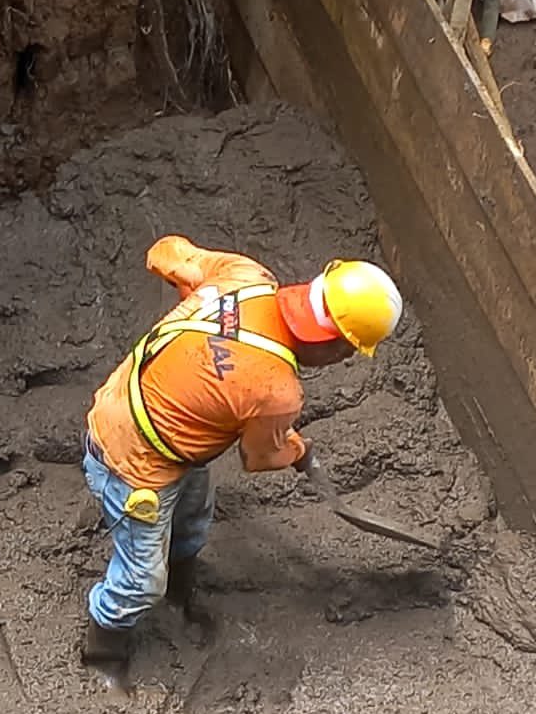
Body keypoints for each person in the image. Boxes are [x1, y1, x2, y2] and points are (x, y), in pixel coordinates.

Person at [79, 234, 405, 682]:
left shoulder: (244, 277)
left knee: (193, 515)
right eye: (347, 351)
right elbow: (259, 456)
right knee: (141, 581)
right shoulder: (277, 393)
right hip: (131, 461)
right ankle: (104, 652)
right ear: (332, 343)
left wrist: (201, 317)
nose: (341, 360)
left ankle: (182, 585)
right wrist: (298, 450)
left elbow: (166, 252)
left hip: (143, 412)